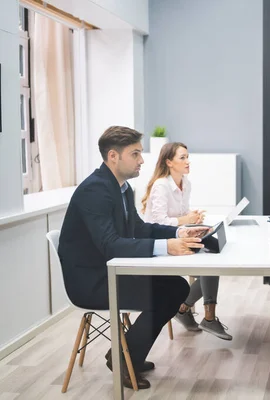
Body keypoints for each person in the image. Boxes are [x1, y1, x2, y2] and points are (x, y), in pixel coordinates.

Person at [58, 126, 210, 389]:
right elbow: (111, 245)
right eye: (136, 154)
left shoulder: (122, 188)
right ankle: (123, 358)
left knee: (176, 286)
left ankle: (129, 354)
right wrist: (168, 247)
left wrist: (179, 230)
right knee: (167, 292)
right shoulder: (94, 190)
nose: (142, 160)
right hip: (92, 281)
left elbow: (140, 229)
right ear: (113, 156)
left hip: (112, 271)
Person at [141, 142, 232, 340]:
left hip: (177, 236)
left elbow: (181, 217)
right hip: (160, 243)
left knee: (213, 259)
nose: (187, 161)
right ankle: (206, 317)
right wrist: (187, 221)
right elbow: (158, 223)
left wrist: (194, 219)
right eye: (182, 157)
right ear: (169, 162)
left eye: (187, 156)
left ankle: (184, 309)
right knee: (210, 264)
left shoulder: (185, 183)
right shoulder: (161, 185)